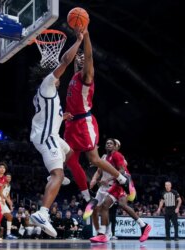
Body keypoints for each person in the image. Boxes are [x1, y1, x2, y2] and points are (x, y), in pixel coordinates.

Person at [63, 25, 131, 218]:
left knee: (93, 159)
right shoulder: (75, 75)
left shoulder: (87, 76)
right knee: (70, 160)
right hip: (71, 124)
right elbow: (77, 60)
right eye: (79, 58)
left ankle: (121, 177)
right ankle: (87, 197)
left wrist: (86, 37)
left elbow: (89, 57)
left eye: (83, 58)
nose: (81, 58)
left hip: (84, 123)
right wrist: (76, 41)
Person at [29, 28, 85, 238]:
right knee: (58, 174)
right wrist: (78, 40)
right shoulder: (47, 84)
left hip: (49, 135)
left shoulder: (44, 94)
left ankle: (54, 174)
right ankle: (42, 213)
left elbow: (47, 115)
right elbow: (65, 60)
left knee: (69, 153)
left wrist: (62, 117)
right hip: (47, 138)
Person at [90, 138, 151, 243]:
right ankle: (143, 225)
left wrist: (108, 179)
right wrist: (96, 179)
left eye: (111, 144)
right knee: (118, 206)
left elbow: (122, 170)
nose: (109, 145)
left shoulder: (117, 155)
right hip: (116, 183)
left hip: (122, 183)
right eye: (107, 143)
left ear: (115, 146)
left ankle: (102, 234)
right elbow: (100, 170)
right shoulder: (106, 157)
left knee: (106, 206)